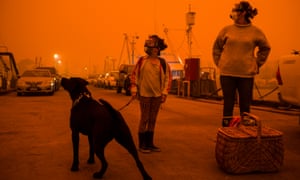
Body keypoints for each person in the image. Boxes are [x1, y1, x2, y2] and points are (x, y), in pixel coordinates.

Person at [212, 1, 271, 127]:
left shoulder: (255, 32)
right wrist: (220, 63)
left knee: (245, 104)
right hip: (227, 73)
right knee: (228, 103)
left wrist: (257, 63)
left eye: (235, 10)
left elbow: (265, 48)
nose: (232, 13)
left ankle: (245, 132)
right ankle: (227, 132)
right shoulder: (226, 30)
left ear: (243, 12)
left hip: (246, 74)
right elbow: (216, 48)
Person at [130, 34, 172, 153]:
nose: (153, 48)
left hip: (157, 96)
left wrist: (164, 93)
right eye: (151, 45)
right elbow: (134, 75)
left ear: (159, 48)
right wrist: (134, 89)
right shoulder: (142, 61)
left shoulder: (163, 63)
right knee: (144, 119)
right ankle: (142, 144)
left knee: (153, 119)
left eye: (155, 46)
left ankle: (150, 143)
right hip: (144, 95)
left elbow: (167, 79)